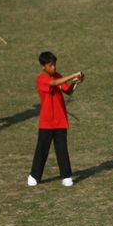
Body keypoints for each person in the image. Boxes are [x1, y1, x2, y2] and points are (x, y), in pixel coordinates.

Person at [27, 51, 82, 187]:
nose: (54, 68)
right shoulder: (41, 79)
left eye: (54, 65)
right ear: (43, 66)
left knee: (62, 149)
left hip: (60, 120)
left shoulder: (58, 76)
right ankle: (34, 175)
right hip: (46, 122)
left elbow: (67, 91)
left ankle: (66, 176)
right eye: (51, 65)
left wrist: (76, 83)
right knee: (42, 149)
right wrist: (72, 75)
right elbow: (54, 83)